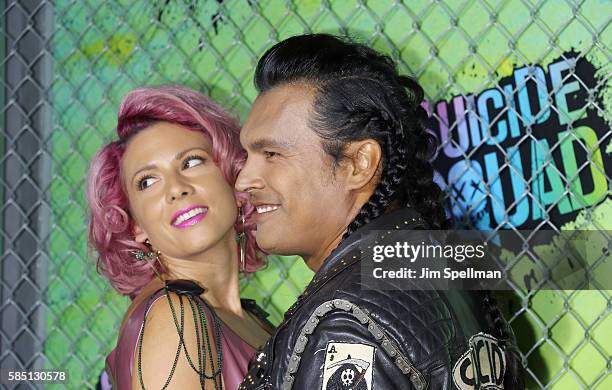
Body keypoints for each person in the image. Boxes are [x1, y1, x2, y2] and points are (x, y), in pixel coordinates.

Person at [235, 34, 524, 389]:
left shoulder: (346, 325)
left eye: (272, 154)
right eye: (247, 155)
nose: (244, 179)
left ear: (358, 163)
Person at [87, 85, 273, 389]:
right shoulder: (176, 317)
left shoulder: (251, 319)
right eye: (147, 181)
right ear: (135, 225)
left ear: (233, 177)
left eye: (191, 162)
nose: (176, 188)